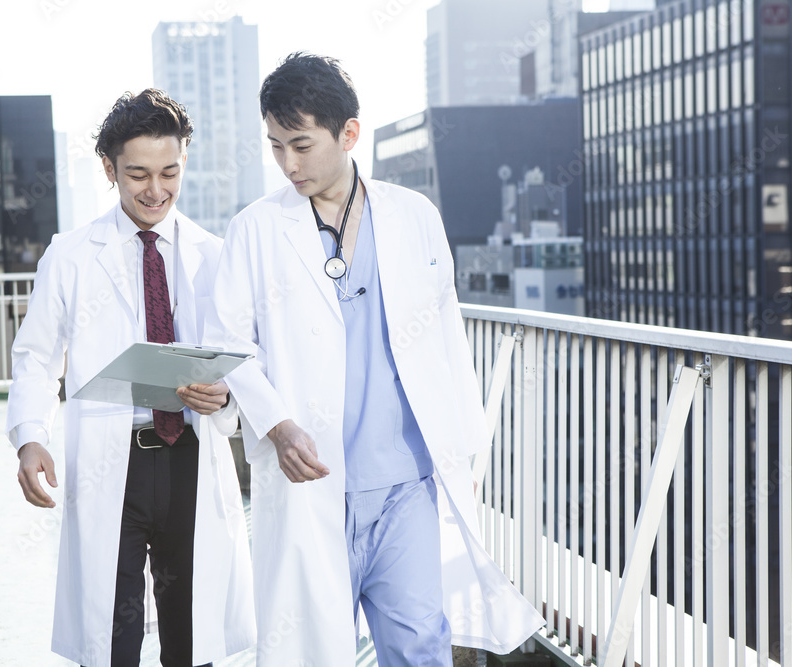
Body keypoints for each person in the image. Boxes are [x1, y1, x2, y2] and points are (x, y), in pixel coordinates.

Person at [204, 53, 545, 666]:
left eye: (301, 145)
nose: (288, 163)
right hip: (311, 478)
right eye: (276, 147)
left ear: (349, 133)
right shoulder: (255, 229)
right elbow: (229, 345)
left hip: (405, 483)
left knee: (419, 646)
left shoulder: (413, 216)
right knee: (311, 650)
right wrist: (277, 426)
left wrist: (461, 448)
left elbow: (446, 338)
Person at [7, 89, 255, 667]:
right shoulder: (69, 255)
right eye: (138, 174)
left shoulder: (213, 255)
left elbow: (239, 360)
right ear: (109, 169)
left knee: (189, 631)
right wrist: (29, 435)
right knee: (113, 631)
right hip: (110, 463)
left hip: (191, 457)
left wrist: (222, 398)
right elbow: (36, 357)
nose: (155, 190)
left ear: (184, 162)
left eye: (169, 172)